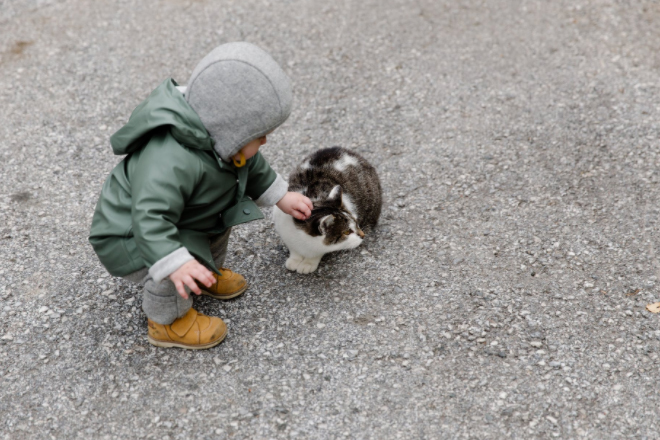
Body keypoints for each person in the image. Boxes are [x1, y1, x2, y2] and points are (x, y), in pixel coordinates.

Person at [89, 42, 312, 350]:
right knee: (175, 262)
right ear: (229, 129)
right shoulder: (169, 160)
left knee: (219, 222)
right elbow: (149, 218)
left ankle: (205, 274)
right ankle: (166, 322)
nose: (264, 139)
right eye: (258, 134)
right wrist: (175, 262)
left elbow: (251, 165)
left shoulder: (222, 141)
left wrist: (280, 195)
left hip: (185, 216)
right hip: (131, 235)